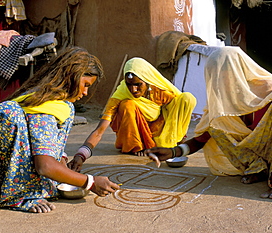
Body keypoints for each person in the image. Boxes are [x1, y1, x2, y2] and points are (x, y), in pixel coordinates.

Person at [146, 46, 272, 201]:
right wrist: (173, 152)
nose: (218, 81)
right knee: (216, 122)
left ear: (239, 72)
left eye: (223, 75)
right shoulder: (224, 104)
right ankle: (259, 168)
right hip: (265, 154)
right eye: (214, 76)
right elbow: (202, 138)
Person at [0, 47, 120, 213]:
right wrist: (90, 182)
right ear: (71, 77)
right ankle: (15, 195)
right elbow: (44, 166)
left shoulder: (61, 106)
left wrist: (63, 162)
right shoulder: (44, 109)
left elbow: (46, 142)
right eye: (85, 85)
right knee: (10, 113)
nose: (85, 93)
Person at [68, 57, 196, 172]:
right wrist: (81, 155)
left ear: (146, 81)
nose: (133, 89)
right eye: (129, 85)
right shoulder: (120, 94)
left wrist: (176, 136)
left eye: (138, 84)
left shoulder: (158, 89)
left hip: (158, 132)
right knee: (127, 105)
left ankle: (167, 143)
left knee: (187, 98)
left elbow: (177, 111)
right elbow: (99, 131)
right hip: (136, 135)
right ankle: (136, 146)